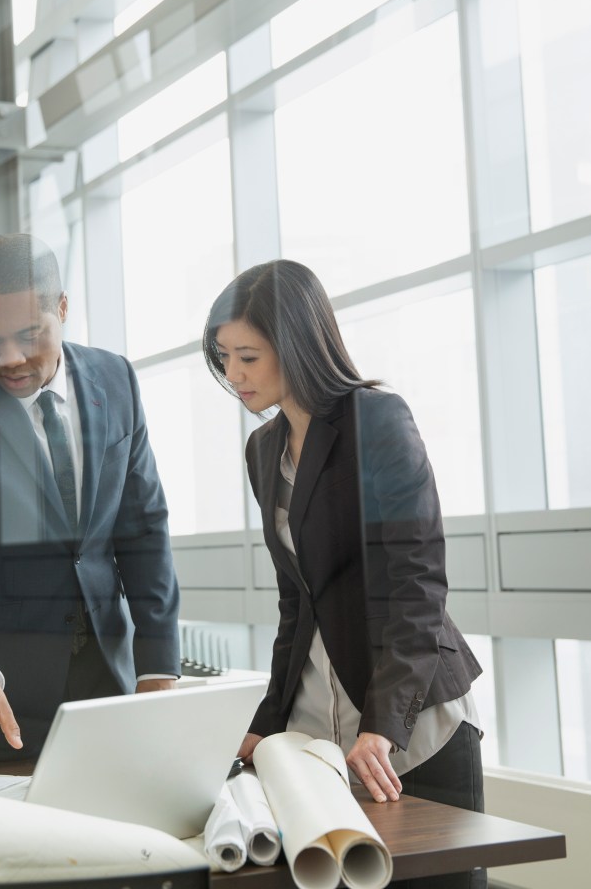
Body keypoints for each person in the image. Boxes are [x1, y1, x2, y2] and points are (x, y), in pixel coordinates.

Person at [204, 260, 486, 889]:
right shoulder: (264, 449)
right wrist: (267, 719)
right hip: (321, 740)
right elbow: (294, 601)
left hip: (413, 726)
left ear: (296, 346)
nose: (234, 375)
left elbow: (417, 585)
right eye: (225, 357)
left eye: (248, 356)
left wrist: (384, 723)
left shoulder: (376, 420)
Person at [0, 233, 181, 767]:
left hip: (112, 686)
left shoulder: (116, 379)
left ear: (62, 308)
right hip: (2, 701)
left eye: (27, 334)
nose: (8, 358)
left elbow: (144, 529)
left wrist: (157, 668)